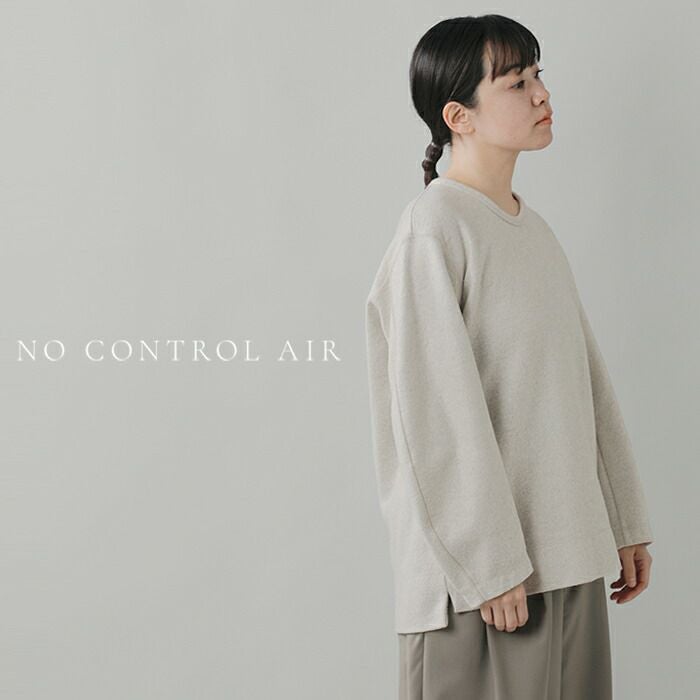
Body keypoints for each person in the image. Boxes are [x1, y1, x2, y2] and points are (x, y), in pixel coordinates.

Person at [364, 14, 654, 700]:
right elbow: (434, 418)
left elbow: (584, 382)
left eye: (537, 75)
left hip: (568, 559)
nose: (541, 93)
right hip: (484, 588)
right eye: (517, 82)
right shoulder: (434, 229)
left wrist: (623, 520)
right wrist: (488, 564)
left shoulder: (533, 229)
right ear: (458, 116)